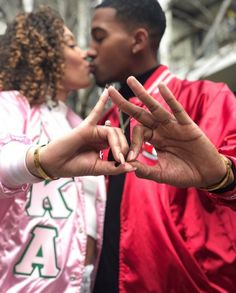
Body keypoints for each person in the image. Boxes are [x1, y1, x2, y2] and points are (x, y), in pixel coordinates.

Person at [88, 0, 236, 292]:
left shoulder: (206, 98)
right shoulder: (101, 121)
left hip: (186, 282)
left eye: (100, 36)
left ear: (138, 40)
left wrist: (223, 177)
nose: (90, 50)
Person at [0, 6, 135, 293]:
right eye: (71, 44)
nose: (86, 52)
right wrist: (39, 161)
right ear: (45, 52)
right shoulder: (10, 106)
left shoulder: (78, 124)